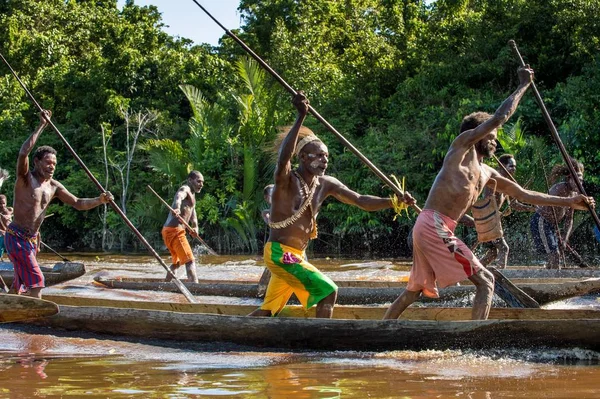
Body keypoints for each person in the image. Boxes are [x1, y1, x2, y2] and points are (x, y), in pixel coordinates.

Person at [383, 66, 594, 321]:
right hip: (433, 224)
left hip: (436, 227)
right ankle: (475, 338)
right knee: (486, 280)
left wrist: (570, 201)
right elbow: (499, 118)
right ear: (478, 133)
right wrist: (523, 85)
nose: (494, 141)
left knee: (414, 291)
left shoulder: (487, 173)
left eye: (495, 138)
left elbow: (525, 195)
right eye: (491, 137)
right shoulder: (461, 148)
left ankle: (382, 329)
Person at [249, 92, 415, 318]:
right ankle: (320, 347)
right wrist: (301, 116)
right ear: (303, 158)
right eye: (318, 155)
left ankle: (231, 335)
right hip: (280, 254)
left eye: (326, 156)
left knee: (268, 310)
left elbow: (360, 200)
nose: (324, 160)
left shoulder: (326, 184)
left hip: (296, 255)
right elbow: (283, 158)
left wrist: (395, 202)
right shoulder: (286, 181)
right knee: (328, 292)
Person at [6, 111, 113, 298]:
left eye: (54, 164)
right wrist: (42, 125)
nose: (51, 167)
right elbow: (23, 152)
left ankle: (9, 306)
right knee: (37, 282)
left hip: (31, 241)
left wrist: (100, 200)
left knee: (20, 283)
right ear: (37, 162)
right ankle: (34, 320)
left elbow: (78, 203)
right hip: (16, 238)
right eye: (48, 163)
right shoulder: (25, 179)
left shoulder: (54, 187)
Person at [478, 154, 535, 268]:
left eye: (515, 166)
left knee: (493, 253)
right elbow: (487, 201)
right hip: (488, 218)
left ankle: (474, 272)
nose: (514, 169)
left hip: (493, 218)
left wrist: (530, 208)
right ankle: (500, 278)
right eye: (511, 166)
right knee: (504, 248)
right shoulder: (494, 180)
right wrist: (495, 213)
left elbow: (514, 205)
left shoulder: (506, 183)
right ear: (502, 166)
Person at [530, 157, 587, 269]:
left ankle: (549, 272)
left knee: (557, 253)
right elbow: (546, 204)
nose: (579, 183)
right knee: (555, 254)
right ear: (568, 179)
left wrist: (565, 239)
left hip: (551, 225)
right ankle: (554, 279)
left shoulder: (574, 195)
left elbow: (569, 219)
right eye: (576, 180)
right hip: (541, 220)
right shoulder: (559, 188)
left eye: (581, 180)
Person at [162, 170, 204, 283]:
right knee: (190, 261)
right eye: (198, 181)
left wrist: (195, 227)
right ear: (190, 180)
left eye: (202, 182)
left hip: (170, 231)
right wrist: (176, 207)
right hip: (174, 231)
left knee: (177, 263)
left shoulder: (193, 196)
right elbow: (178, 197)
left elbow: (193, 214)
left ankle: (165, 286)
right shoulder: (185, 189)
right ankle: (196, 289)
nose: (201, 184)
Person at [0, 194, 14, 260]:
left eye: (3, 203)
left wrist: (9, 216)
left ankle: (14, 263)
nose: (2, 205)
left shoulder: (9, 210)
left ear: (6, 203)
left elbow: (14, 211)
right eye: (0, 203)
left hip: (10, 234)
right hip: (1, 235)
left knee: (11, 252)